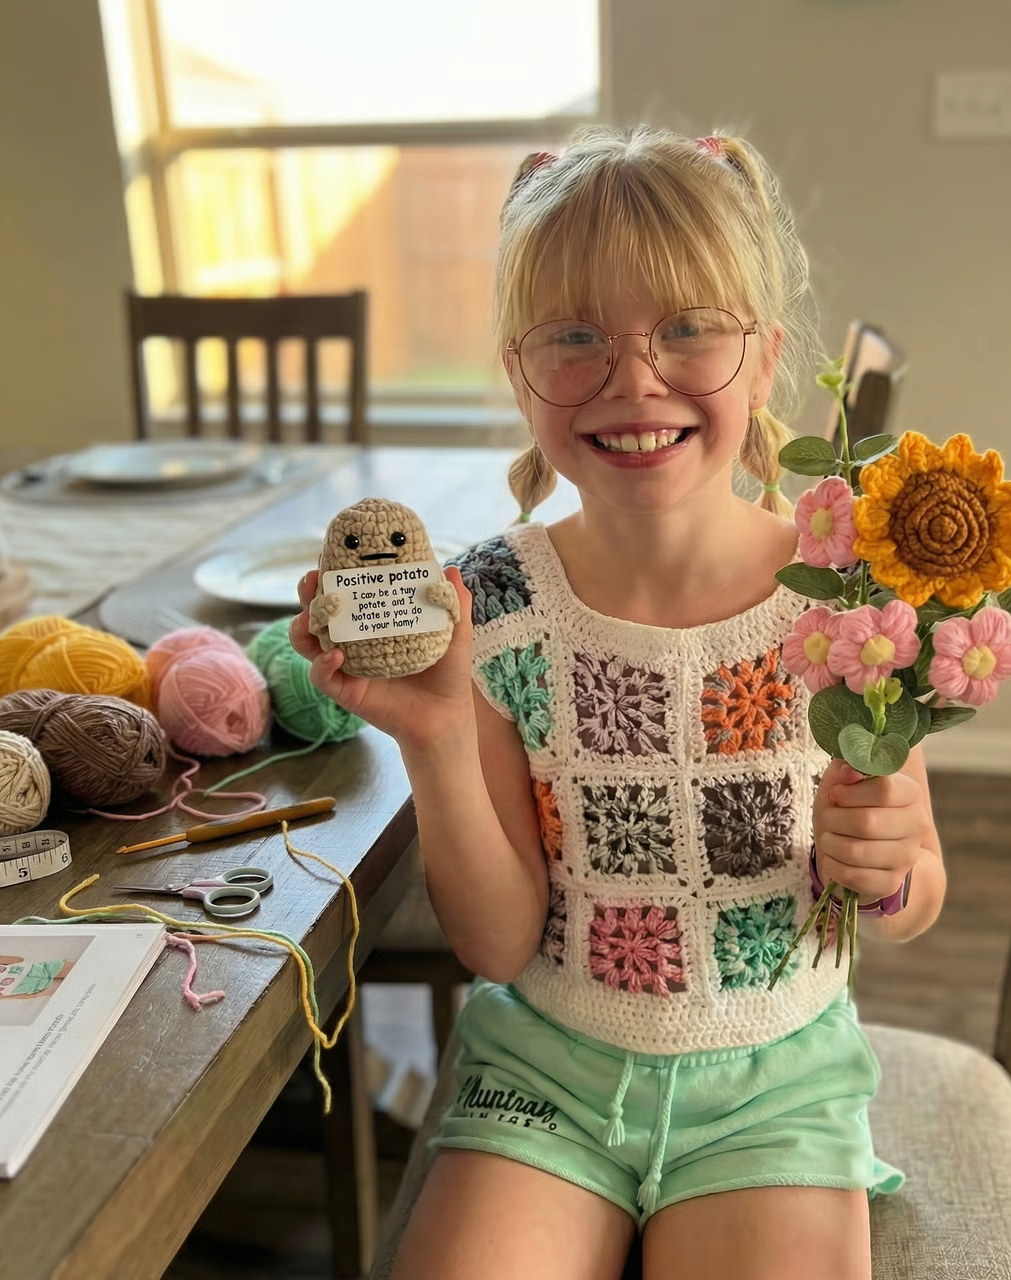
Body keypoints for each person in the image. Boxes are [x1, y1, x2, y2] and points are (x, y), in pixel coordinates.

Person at [291, 124, 945, 1280]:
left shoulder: (845, 592)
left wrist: (889, 867)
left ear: (763, 357)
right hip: (546, 1076)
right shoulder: (490, 604)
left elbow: (915, 886)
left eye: (686, 327)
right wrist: (437, 736)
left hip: (774, 1085)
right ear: (519, 373)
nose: (633, 378)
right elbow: (497, 943)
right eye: (575, 337)